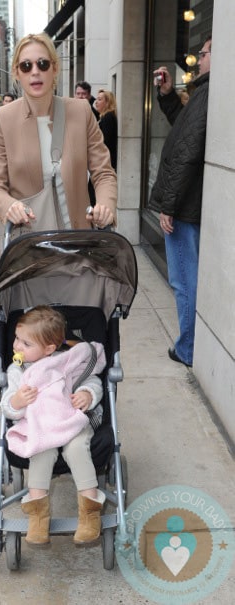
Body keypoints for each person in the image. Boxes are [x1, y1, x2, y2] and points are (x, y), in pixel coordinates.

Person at [0, 33, 117, 233]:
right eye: (26, 66)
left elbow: (104, 173)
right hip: (28, 243)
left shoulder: (81, 111)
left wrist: (105, 205)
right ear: (16, 72)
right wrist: (9, 206)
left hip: (78, 239)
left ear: (54, 68)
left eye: (43, 64)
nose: (35, 72)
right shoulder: (1, 119)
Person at [1, 306, 106, 546]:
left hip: (70, 421)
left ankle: (90, 512)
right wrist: (17, 402)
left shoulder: (65, 362)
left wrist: (87, 394)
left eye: (26, 344)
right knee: (40, 450)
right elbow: (7, 405)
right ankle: (38, 515)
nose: (17, 346)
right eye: (17, 338)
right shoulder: (17, 371)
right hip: (40, 426)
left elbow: (92, 380)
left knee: (76, 447)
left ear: (49, 348)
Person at [149, 35, 211, 368]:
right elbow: (184, 131)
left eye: (202, 54)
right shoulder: (203, 93)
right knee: (187, 279)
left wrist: (167, 207)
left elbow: (186, 154)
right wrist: (168, 95)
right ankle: (190, 344)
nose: (197, 60)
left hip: (184, 209)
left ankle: (188, 349)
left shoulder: (207, 92)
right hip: (187, 205)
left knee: (184, 281)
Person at [94, 89, 118, 170]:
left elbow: (105, 141)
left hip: (105, 162)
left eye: (99, 99)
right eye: (96, 99)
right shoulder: (104, 116)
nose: (96, 102)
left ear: (107, 102)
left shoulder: (108, 117)